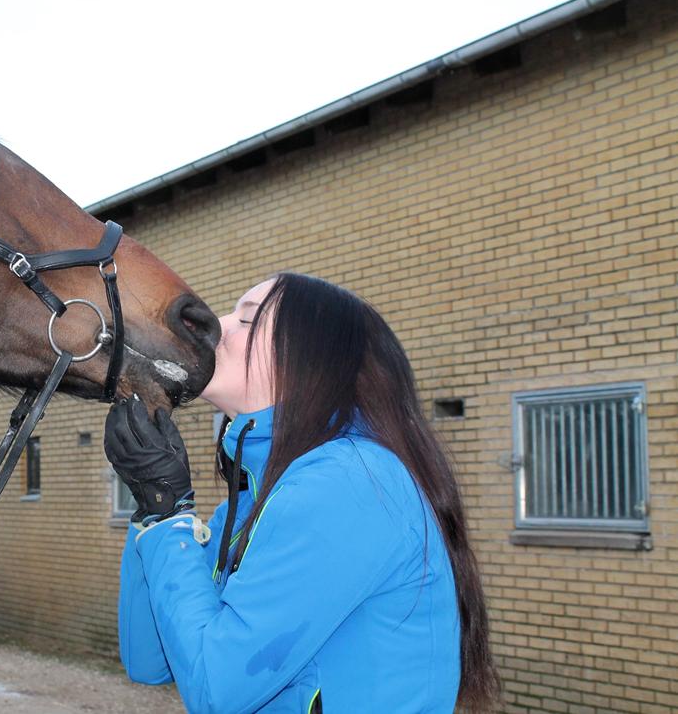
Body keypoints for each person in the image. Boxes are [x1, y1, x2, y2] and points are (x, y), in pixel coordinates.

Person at [104, 273, 498, 713]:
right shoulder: (259, 497)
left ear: (313, 363)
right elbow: (150, 660)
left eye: (247, 320)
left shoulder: (349, 483)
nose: (218, 325)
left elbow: (217, 688)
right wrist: (155, 511)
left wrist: (170, 514)